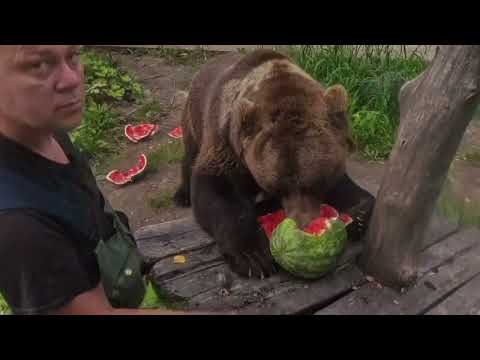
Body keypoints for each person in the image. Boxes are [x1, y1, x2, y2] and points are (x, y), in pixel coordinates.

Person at [0, 45, 224, 315]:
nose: (72, 79)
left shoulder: (41, 128)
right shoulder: (18, 224)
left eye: (72, 56)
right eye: (38, 65)